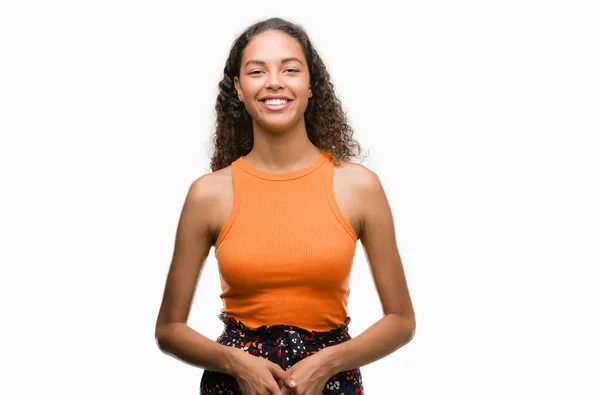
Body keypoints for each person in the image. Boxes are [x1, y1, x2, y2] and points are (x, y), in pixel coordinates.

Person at [155, 17, 416, 395]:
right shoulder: (208, 194)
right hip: (234, 386)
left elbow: (401, 320)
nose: (274, 81)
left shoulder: (358, 187)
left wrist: (327, 362)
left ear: (311, 86)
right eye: (257, 71)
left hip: (333, 384)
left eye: (290, 69)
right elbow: (168, 329)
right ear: (239, 90)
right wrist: (237, 363)